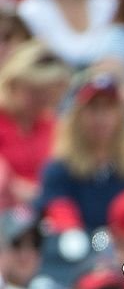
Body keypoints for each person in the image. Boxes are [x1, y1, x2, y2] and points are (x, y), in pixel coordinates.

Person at [36, 71, 124, 234]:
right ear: (76, 116)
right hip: (78, 252)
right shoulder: (60, 169)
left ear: (120, 115)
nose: (101, 116)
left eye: (109, 107)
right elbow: (60, 214)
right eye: (93, 108)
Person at [0, 41, 69, 206]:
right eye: (34, 91)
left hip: (47, 209)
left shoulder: (52, 124)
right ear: (13, 84)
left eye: (48, 92)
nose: (42, 99)